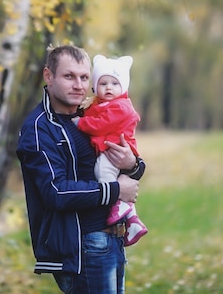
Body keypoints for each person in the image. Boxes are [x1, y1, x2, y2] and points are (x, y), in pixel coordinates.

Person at [16, 45, 146, 294]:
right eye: (69, 76)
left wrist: (133, 165)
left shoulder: (92, 116)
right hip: (84, 245)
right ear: (48, 76)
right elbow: (55, 192)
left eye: (84, 77)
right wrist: (116, 190)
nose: (78, 85)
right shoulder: (40, 128)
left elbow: (125, 162)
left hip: (113, 239)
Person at [73, 54, 148, 246]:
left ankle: (118, 203)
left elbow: (100, 124)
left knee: (103, 171)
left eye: (114, 84)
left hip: (115, 149)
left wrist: (81, 122)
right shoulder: (100, 104)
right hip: (111, 148)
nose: (108, 88)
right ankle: (131, 219)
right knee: (105, 172)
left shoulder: (120, 106)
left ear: (123, 87)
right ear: (95, 86)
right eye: (103, 83)